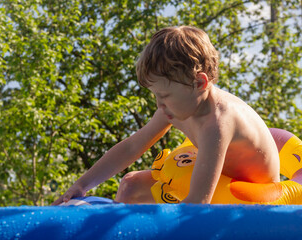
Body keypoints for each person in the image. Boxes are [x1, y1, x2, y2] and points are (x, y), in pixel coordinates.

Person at [52, 26, 280, 205]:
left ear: (199, 83)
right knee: (131, 184)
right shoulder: (176, 106)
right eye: (155, 95)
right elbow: (132, 147)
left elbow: (197, 203)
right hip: (221, 178)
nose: (159, 104)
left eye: (165, 95)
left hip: (251, 194)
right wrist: (82, 185)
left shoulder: (218, 123)